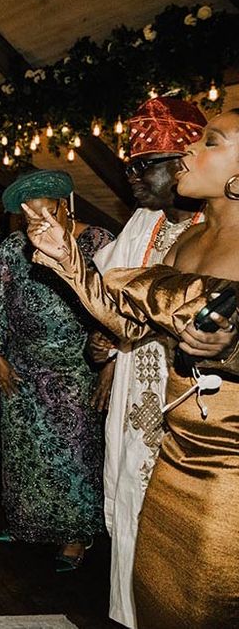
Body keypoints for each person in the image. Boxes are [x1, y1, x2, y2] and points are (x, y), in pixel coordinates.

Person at [25, 108, 239, 628]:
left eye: (210, 142)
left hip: (231, 461)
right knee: (157, 593)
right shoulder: (189, 241)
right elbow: (131, 322)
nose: (189, 151)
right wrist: (67, 259)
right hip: (177, 447)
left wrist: (229, 351)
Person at [0, 169, 113, 570]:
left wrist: (109, 365)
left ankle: (77, 535)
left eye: (47, 215)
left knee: (75, 453)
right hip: (21, 368)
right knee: (25, 453)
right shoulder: (13, 248)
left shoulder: (99, 243)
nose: (39, 226)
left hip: (76, 368)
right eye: (30, 219)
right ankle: (29, 524)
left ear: (65, 206)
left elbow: (116, 308)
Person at [89, 97, 206, 628]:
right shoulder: (144, 222)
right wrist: (109, 346)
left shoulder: (218, 230)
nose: (131, 175)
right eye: (130, 164)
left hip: (197, 400)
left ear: (185, 161)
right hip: (139, 385)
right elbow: (111, 297)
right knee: (131, 492)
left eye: (145, 164)